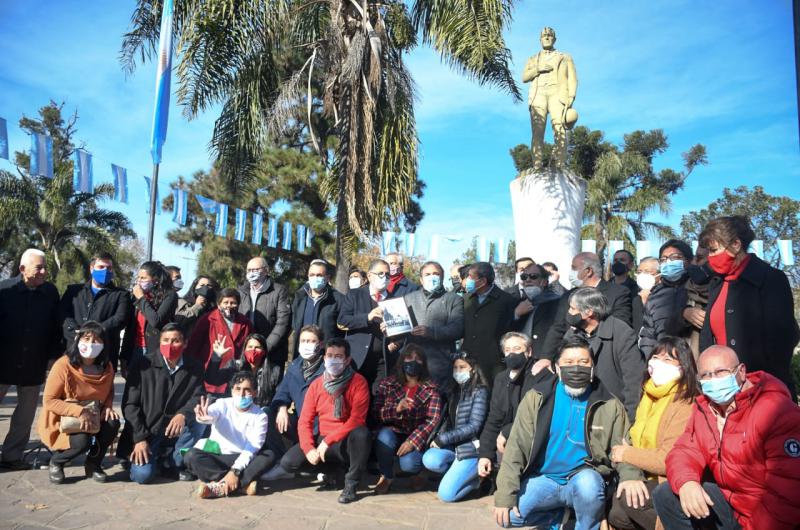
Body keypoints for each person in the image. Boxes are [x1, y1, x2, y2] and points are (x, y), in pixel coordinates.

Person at [653, 345, 800, 530]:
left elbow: (787, 490)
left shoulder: (776, 411)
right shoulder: (705, 409)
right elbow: (683, 450)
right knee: (666, 495)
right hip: (731, 505)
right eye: (706, 375)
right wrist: (687, 482)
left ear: (741, 371)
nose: (713, 380)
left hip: (763, 515)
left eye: (720, 372)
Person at [493, 337, 633, 529]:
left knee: (589, 487)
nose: (576, 368)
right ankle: (561, 519)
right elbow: (516, 447)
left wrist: (630, 476)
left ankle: (587, 523)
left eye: (583, 362)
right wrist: (505, 496)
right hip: (545, 479)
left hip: (584, 478)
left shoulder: (609, 404)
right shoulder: (537, 398)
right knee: (508, 516)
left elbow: (623, 446)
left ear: (593, 367)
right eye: (568, 363)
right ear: (557, 368)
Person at [698, 215, 799, 395]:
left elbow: (783, 339)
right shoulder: (717, 284)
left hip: (763, 388)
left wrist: (756, 383)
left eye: (714, 250)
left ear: (736, 245)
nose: (710, 257)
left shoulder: (771, 279)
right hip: (721, 388)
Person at [607, 337, 699, 530]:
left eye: (668, 360)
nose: (658, 363)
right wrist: (630, 474)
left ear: (684, 367)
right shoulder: (648, 395)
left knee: (628, 502)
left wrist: (626, 454)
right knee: (616, 513)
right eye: (655, 357)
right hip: (644, 474)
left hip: (669, 480)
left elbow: (668, 459)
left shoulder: (686, 403)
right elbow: (629, 438)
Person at [269, 338, 371, 504]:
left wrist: (327, 442)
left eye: (338, 356)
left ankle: (351, 484)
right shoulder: (316, 385)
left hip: (344, 441)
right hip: (322, 437)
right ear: (324, 358)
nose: (333, 359)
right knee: (289, 463)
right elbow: (305, 421)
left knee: (362, 433)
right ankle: (334, 472)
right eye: (330, 355)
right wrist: (309, 448)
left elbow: (357, 419)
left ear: (347, 360)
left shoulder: (358, 382)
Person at [119, 323, 206, 484]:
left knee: (200, 421)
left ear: (185, 343)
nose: (169, 345)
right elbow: (130, 405)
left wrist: (183, 414)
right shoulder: (143, 364)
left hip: (175, 432)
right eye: (165, 340)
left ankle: (171, 461)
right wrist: (139, 439)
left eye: (175, 341)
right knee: (143, 476)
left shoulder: (195, 367)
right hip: (147, 431)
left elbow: (198, 396)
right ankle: (148, 459)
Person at [0, 249, 62, 470]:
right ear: (22, 269)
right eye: (39, 267)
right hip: (3, 361)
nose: (44, 272)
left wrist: (53, 356)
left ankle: (11, 456)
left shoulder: (50, 293)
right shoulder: (4, 290)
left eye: (45, 267)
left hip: (34, 362)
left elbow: (56, 328)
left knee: (25, 415)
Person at [39, 321, 120, 484]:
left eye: (97, 340)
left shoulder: (107, 367)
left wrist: (109, 406)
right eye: (86, 338)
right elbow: (49, 400)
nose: (90, 344)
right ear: (78, 340)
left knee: (113, 424)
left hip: (95, 413)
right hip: (65, 417)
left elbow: (109, 389)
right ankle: (57, 462)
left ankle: (93, 464)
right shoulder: (63, 365)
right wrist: (80, 412)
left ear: (104, 344)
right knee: (81, 442)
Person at [561, 287, 645, 420]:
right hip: (579, 409)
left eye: (573, 308)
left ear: (589, 312)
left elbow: (634, 382)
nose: (569, 313)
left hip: (612, 411)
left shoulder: (621, 333)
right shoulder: (572, 334)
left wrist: (630, 420)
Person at [185, 371, 271, 498]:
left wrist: (235, 471)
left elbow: (252, 448)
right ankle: (241, 485)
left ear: (255, 393)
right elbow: (211, 414)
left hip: (242, 457)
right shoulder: (222, 404)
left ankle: (219, 486)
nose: (241, 394)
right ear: (232, 390)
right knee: (191, 456)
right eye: (238, 389)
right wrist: (204, 416)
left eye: (247, 390)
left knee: (269, 455)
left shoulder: (260, 416)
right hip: (219, 456)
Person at [372, 344, 443, 493]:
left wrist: (413, 441)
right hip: (393, 430)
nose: (413, 362)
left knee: (409, 464)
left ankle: (417, 473)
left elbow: (433, 419)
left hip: (415, 433)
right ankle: (386, 475)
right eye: (409, 358)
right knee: (384, 436)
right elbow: (376, 414)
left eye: (418, 359)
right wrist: (396, 409)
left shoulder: (431, 388)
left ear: (423, 363)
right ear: (402, 360)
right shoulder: (388, 383)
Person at [478, 333, 546, 482]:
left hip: (531, 438)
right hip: (503, 442)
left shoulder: (540, 374)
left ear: (529, 351)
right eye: (508, 350)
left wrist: (507, 432)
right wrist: (485, 454)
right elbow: (494, 418)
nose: (512, 353)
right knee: (448, 492)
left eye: (517, 349)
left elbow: (537, 415)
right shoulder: (501, 378)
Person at [541, 252, 633, 361]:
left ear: (588, 271)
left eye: (574, 268)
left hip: (604, 358)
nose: (571, 272)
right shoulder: (568, 296)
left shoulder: (618, 293)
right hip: (571, 358)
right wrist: (546, 358)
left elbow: (620, 326)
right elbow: (558, 328)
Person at [422, 353, 489, 502]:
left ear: (472, 370)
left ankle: (479, 479)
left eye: (462, 367)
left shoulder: (480, 391)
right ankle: (458, 474)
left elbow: (474, 426)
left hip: (471, 448)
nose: (458, 371)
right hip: (454, 447)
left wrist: (443, 438)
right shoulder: (453, 391)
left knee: (447, 495)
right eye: (455, 367)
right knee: (430, 459)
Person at [263, 325, 326, 469]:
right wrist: (282, 408)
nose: (306, 345)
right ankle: (279, 458)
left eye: (311, 341)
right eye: (303, 341)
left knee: (294, 462)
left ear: (321, 344)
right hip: (299, 423)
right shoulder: (295, 366)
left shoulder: (328, 368)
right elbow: (282, 392)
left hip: (319, 428)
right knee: (267, 413)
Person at [61, 251, 131, 371]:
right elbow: (62, 313)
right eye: (101, 267)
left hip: (103, 356)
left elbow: (120, 318)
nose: (105, 271)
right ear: (92, 268)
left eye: (109, 268)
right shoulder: (74, 291)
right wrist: (77, 332)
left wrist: (93, 333)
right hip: (73, 351)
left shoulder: (121, 295)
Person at [522, 26, 577, 169]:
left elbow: (572, 78)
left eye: (549, 35)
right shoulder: (533, 59)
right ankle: (537, 165)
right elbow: (524, 77)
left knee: (559, 129)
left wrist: (571, 96)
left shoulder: (565, 57)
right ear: (540, 39)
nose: (547, 37)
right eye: (544, 35)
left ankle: (560, 164)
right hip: (538, 94)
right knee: (537, 131)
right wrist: (538, 69)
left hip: (557, 94)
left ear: (554, 39)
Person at [404, 261, 464, 388]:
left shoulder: (454, 299)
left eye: (436, 274)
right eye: (427, 274)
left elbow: (457, 329)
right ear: (421, 279)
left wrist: (431, 332)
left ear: (442, 278)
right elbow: (402, 327)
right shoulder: (408, 299)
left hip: (441, 363)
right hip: (413, 362)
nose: (432, 277)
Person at [337, 259, 394, 388]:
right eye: (380, 273)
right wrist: (367, 317)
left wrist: (393, 340)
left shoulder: (394, 300)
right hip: (357, 359)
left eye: (387, 274)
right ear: (369, 276)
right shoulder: (354, 295)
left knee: (376, 401)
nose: (384, 277)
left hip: (381, 361)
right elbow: (342, 321)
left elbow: (402, 331)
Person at [186, 288, 253, 396]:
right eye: (225, 302)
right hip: (210, 374)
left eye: (233, 303)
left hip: (234, 377)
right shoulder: (207, 319)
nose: (229, 306)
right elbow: (193, 346)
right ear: (218, 304)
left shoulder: (245, 323)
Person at [238, 257, 292, 384]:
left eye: (256, 269)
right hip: (247, 353)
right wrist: (247, 348)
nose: (252, 273)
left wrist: (265, 347)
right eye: (249, 270)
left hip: (272, 353)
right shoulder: (241, 292)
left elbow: (283, 322)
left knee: (268, 391)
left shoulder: (279, 291)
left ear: (266, 271)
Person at [461, 262, 518, 381]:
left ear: (482, 281)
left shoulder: (506, 300)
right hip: (468, 359)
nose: (467, 280)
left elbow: (511, 328)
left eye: (471, 277)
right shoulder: (466, 299)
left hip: (494, 363)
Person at [120, 261, 178, 371]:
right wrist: (124, 357)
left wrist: (142, 298)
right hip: (135, 349)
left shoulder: (169, 295)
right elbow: (130, 328)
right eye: (138, 277)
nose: (139, 281)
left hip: (155, 349)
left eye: (143, 278)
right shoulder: (136, 297)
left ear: (155, 280)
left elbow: (156, 320)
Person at [638, 240, 692, 359]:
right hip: (663, 361)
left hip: (692, 362)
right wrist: (650, 359)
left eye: (675, 257)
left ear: (688, 261)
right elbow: (648, 335)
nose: (668, 262)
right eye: (663, 259)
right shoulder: (655, 295)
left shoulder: (697, 289)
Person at [290, 259, 342, 356]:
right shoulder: (300, 297)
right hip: (302, 354)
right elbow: (294, 325)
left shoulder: (337, 299)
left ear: (327, 278)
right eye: (312, 275)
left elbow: (341, 332)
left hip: (326, 355)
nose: (315, 278)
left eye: (319, 275)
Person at [510, 262, 560, 361]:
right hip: (520, 359)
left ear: (544, 282)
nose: (528, 280)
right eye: (524, 277)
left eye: (533, 276)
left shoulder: (556, 302)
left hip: (544, 359)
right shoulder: (516, 302)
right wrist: (516, 314)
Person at [679, 246, 711, 359]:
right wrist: (684, 313)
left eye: (700, 258)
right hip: (690, 365)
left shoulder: (728, 289)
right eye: (694, 257)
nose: (694, 263)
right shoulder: (683, 287)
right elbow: (668, 327)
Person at [633, 257, 660, 335]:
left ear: (659, 274)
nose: (642, 275)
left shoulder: (666, 296)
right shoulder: (635, 297)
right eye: (639, 272)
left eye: (647, 272)